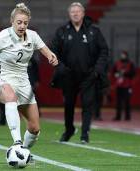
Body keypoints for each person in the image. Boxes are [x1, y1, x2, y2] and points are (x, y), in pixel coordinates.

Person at [0, 3, 58, 150]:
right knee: (10, 97)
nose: (22, 26)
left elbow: (48, 52)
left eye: (25, 23)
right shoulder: (3, 36)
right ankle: (17, 143)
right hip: (0, 80)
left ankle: (23, 152)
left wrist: (52, 57)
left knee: (34, 128)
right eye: (19, 22)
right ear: (12, 22)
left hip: (23, 83)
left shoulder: (33, 36)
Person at [51, 2, 109, 143]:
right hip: (69, 76)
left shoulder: (94, 31)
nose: (75, 13)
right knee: (69, 105)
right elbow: (53, 52)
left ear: (83, 13)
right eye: (73, 11)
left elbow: (104, 51)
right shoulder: (62, 31)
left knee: (88, 104)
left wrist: (97, 70)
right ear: (69, 14)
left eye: (78, 11)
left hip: (89, 75)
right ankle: (69, 129)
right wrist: (61, 68)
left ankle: (85, 134)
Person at [112, 51, 135, 121]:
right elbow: (113, 71)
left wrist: (125, 74)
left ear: (126, 56)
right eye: (122, 55)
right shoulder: (117, 63)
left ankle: (127, 116)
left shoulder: (130, 63)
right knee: (118, 102)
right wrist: (116, 74)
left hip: (127, 85)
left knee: (127, 101)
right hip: (119, 85)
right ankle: (118, 116)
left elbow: (133, 73)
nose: (122, 56)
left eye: (124, 55)